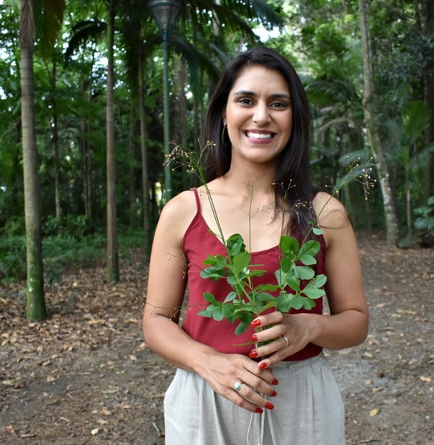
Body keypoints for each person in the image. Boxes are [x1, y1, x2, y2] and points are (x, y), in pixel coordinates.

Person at [143, 46, 368, 444]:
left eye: (278, 103)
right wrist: (207, 361)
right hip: (204, 400)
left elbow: (355, 321)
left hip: (301, 403)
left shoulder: (325, 213)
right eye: (246, 100)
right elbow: (156, 319)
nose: (261, 116)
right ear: (223, 113)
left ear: (294, 118)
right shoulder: (183, 210)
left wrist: (308, 326)